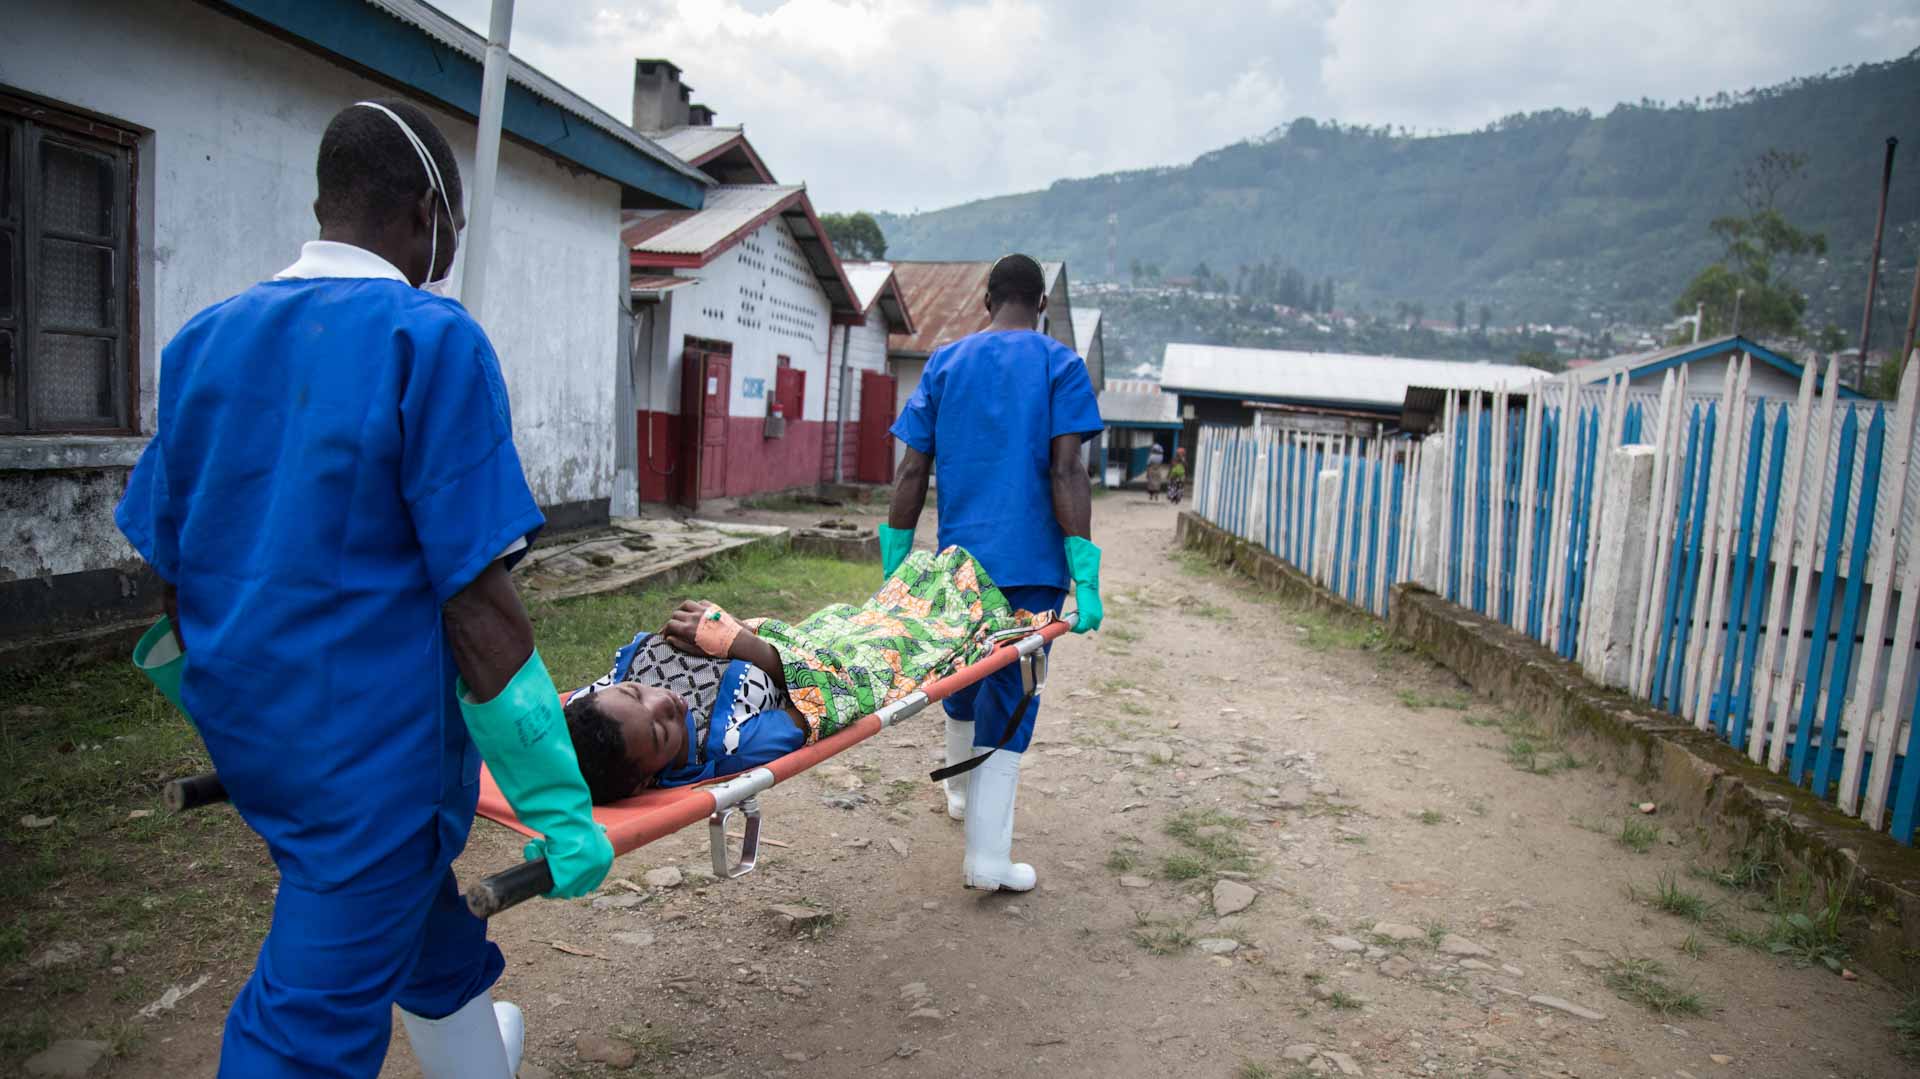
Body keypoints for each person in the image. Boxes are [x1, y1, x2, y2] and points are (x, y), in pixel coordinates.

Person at [116, 100, 611, 1079]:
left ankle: (479, 1061)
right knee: (298, 1030)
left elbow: (170, 577)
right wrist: (557, 800)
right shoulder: (429, 338)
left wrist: (242, 721)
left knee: (423, 932)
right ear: (428, 210)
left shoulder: (202, 342)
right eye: (452, 238)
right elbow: (477, 606)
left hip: (262, 746)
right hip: (372, 772)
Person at [880, 253, 1105, 893]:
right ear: (1038, 306)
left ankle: (958, 798)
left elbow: (910, 472)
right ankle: (987, 862)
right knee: (1012, 698)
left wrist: (897, 565)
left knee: (962, 676)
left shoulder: (945, 363)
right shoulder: (1061, 364)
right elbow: (1067, 472)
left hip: (960, 565)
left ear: (986, 300)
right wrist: (1083, 573)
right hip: (1031, 569)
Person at [567, 546, 1053, 802]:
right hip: (839, 662)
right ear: (641, 783)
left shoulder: (604, 705)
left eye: (635, 691)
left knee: (922, 576)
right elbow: (824, 707)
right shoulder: (733, 743)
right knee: (942, 605)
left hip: (805, 635)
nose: (662, 703)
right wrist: (744, 644)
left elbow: (571, 710)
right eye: (659, 732)